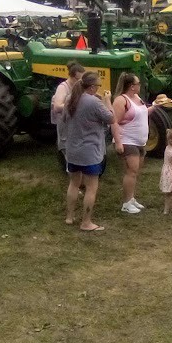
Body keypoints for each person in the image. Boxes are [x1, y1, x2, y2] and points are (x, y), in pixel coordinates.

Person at [64, 72, 114, 232]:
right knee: (91, 187)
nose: (99, 88)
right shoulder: (94, 102)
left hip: (72, 150)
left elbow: (64, 119)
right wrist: (107, 100)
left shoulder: (70, 98)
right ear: (92, 87)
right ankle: (86, 222)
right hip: (90, 152)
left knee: (73, 183)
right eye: (98, 85)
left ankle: (69, 217)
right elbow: (111, 118)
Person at [112, 72, 157, 214]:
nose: (140, 86)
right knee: (130, 171)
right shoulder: (121, 100)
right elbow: (114, 122)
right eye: (138, 83)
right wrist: (118, 142)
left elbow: (143, 113)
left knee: (135, 172)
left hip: (140, 141)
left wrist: (156, 106)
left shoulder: (137, 98)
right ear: (132, 86)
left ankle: (131, 198)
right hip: (127, 140)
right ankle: (126, 203)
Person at [51, 61, 85, 169]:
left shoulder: (79, 87)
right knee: (67, 147)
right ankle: (71, 169)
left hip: (75, 121)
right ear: (72, 77)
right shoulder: (63, 87)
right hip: (64, 122)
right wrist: (75, 106)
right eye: (79, 79)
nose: (81, 82)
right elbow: (57, 106)